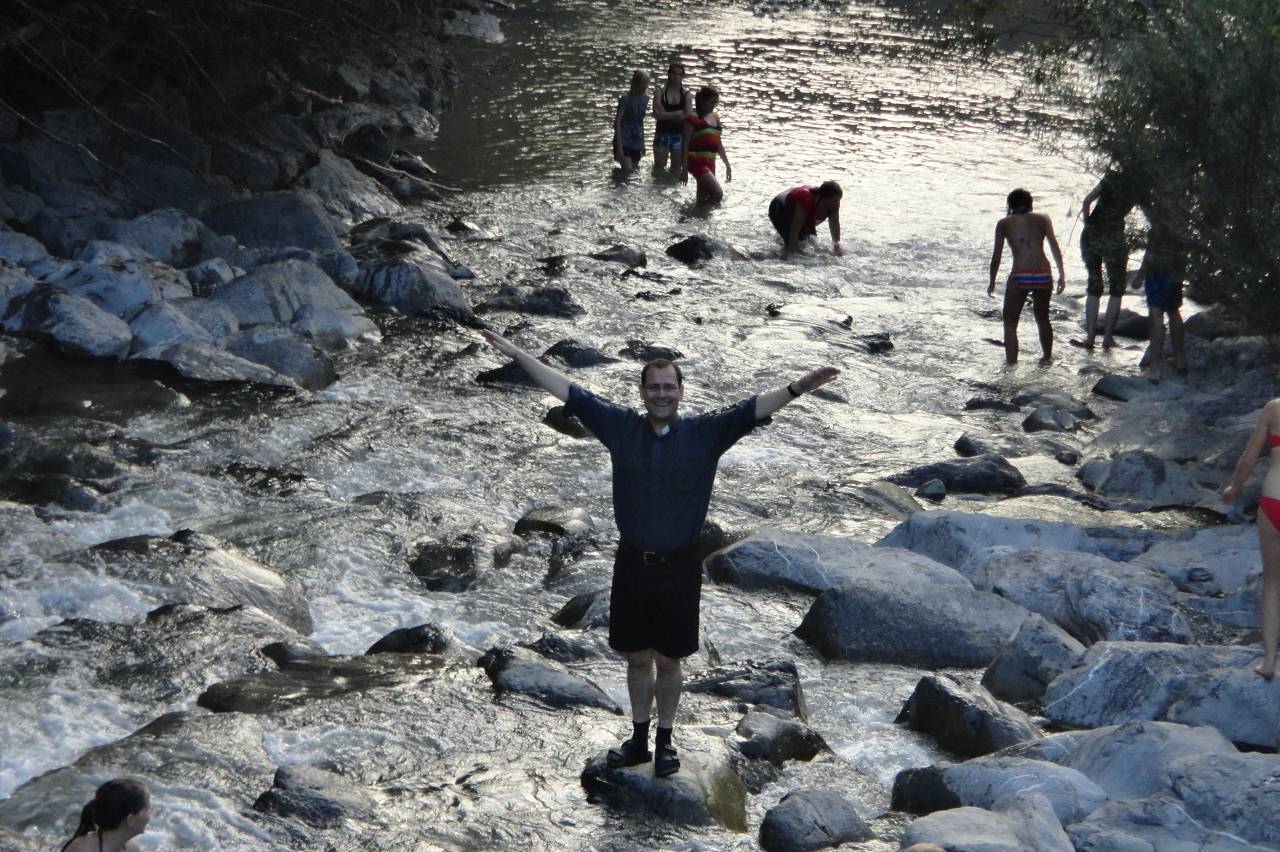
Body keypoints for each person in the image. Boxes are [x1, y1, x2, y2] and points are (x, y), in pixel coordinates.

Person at [479, 328, 839, 777]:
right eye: (654, 387)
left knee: (668, 661)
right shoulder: (621, 427)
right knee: (637, 658)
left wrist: (799, 387)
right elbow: (568, 390)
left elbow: (753, 408)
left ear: (681, 391)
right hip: (633, 563)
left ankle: (665, 741)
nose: (662, 394)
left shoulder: (706, 433)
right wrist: (517, 353)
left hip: (680, 567)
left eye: (669, 387)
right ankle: (638, 738)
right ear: (643, 392)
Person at [1220, 399, 1280, 679]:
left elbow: (1248, 459)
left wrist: (1235, 487)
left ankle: (1268, 662)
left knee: (1273, 582)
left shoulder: (1274, 408)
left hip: (1274, 501)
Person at [987, 188, 1066, 364]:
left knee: (1010, 323)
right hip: (1043, 273)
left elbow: (996, 256)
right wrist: (1061, 273)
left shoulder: (1004, 223)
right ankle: (1046, 359)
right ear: (1030, 203)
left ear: (1010, 205)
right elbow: (1054, 246)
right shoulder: (1043, 219)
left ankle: (1011, 365)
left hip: (1020, 274)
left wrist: (992, 281)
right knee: (1043, 319)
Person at [1079, 171, 1136, 349]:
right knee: (1116, 289)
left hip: (1091, 235)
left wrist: (1088, 224)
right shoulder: (1138, 186)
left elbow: (1087, 201)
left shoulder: (1111, 178)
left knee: (1094, 285)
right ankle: (1108, 338)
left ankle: (1090, 338)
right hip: (1114, 237)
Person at [1138, 218, 1186, 381]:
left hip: (1159, 266)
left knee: (1156, 313)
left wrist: (1140, 274)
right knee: (1174, 310)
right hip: (1178, 264)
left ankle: (1154, 369)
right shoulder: (1181, 211)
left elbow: (1153, 246)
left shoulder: (1160, 213)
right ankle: (1179, 359)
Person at [61, 778, 151, 852]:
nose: (149, 817)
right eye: (147, 810)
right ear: (130, 820)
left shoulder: (132, 849)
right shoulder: (82, 849)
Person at [680, 86, 732, 205]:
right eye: (711, 102)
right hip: (696, 162)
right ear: (703, 101)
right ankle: (695, 212)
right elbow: (685, 144)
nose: (714, 106)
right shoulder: (692, 118)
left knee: (703, 197)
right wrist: (684, 168)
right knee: (718, 193)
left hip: (710, 162)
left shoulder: (716, 118)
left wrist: (727, 165)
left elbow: (719, 144)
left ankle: (693, 213)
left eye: (716, 103)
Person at [769, 181, 844, 256]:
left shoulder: (833, 205)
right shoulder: (806, 199)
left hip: (800, 208)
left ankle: (782, 240)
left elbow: (834, 224)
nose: (837, 203)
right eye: (835, 200)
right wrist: (792, 249)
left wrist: (836, 247)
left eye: (839, 200)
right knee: (795, 246)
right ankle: (776, 255)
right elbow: (795, 229)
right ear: (824, 198)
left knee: (812, 242)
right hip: (779, 207)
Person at [651, 63, 690, 175]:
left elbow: (687, 117)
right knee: (659, 167)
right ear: (668, 74)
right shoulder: (660, 91)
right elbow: (657, 114)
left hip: (678, 135)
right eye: (673, 73)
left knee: (676, 169)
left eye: (679, 74)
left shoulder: (686, 95)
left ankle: (671, 187)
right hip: (661, 134)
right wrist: (677, 113)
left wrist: (665, 115)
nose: (676, 77)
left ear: (682, 77)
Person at [613, 70, 649, 174]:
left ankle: (617, 178)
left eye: (646, 83)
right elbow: (617, 123)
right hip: (624, 140)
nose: (644, 87)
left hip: (636, 141)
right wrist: (619, 148)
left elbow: (640, 122)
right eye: (642, 83)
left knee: (634, 173)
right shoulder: (625, 99)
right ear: (635, 83)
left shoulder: (645, 99)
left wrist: (643, 144)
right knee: (628, 171)